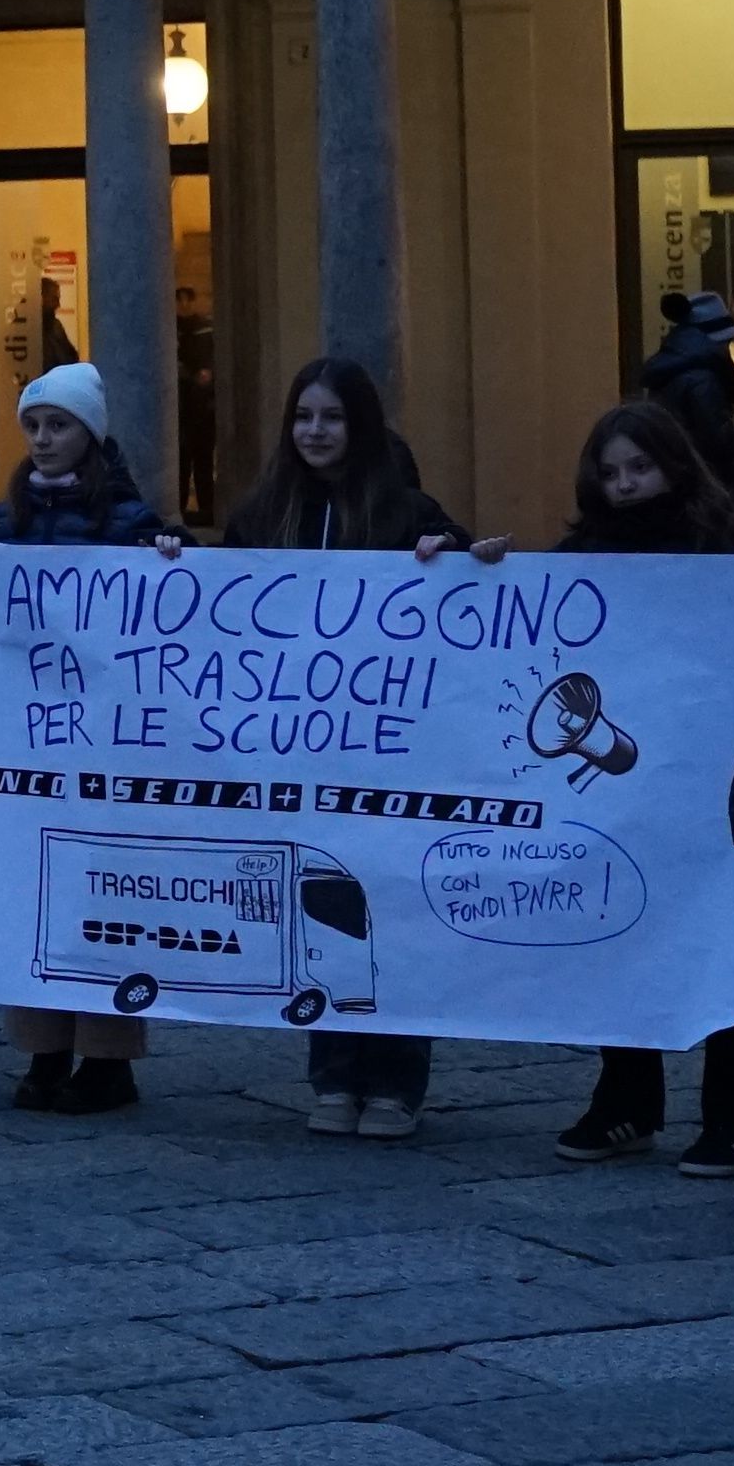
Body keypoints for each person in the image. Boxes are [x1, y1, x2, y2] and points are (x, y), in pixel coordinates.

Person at [216, 359, 461, 1140]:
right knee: (320, 903)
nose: (314, 432)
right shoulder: (263, 512)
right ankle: (332, 1073)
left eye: (331, 418)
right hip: (301, 757)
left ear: (360, 427)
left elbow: (474, 597)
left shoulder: (405, 508)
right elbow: (212, 604)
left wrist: (459, 556)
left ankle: (396, 1081)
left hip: (392, 757)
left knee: (389, 905)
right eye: (302, 417)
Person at [532, 401, 734, 1170]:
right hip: (625, 794)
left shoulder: (722, 550)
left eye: (640, 467)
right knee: (619, 931)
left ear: (674, 466)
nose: (627, 485)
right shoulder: (581, 557)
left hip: (708, 779)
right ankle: (626, 1099)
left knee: (722, 935)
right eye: (611, 473)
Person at [0, 362, 161, 1113]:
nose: (45, 439)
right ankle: (44, 1047)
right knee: (32, 890)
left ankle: (110, 1057)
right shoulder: (6, 517)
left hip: (105, 738)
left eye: (60, 425)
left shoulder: (127, 517)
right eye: (35, 426)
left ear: (91, 433)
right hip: (29, 737)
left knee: (105, 885)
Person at [640, 291, 734, 511]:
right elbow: (719, 443)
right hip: (704, 489)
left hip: (678, 487)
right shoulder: (703, 379)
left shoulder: (669, 373)